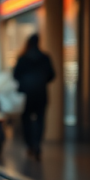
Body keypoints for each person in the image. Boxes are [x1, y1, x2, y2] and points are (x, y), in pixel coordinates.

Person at [13, 33, 55, 161]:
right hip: (41, 93)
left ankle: (30, 144)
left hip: (26, 95)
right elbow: (52, 75)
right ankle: (37, 143)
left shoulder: (23, 58)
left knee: (26, 119)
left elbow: (15, 75)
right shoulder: (45, 57)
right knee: (40, 120)